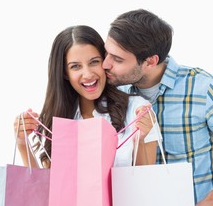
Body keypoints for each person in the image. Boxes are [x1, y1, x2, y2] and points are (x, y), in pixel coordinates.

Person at [102, 9, 213, 206]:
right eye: (106, 53)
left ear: (150, 61)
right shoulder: (115, 97)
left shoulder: (205, 89)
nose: (105, 64)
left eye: (117, 59)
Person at [14, 25, 160, 169]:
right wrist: (22, 143)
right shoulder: (55, 119)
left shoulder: (136, 110)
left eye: (94, 62)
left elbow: (145, 182)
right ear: (65, 73)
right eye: (75, 66)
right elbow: (45, 188)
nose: (88, 74)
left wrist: (140, 140)